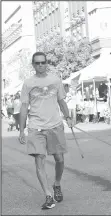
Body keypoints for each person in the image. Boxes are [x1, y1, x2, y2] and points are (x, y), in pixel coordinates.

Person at [19, 52, 73, 210]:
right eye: (37, 63)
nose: (40, 65)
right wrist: (22, 130)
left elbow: (61, 100)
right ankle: (48, 196)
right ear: (33, 64)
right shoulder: (28, 83)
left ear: (46, 63)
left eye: (43, 62)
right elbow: (24, 107)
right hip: (36, 127)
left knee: (60, 160)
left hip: (55, 125)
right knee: (39, 160)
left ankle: (57, 184)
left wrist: (68, 116)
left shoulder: (55, 80)